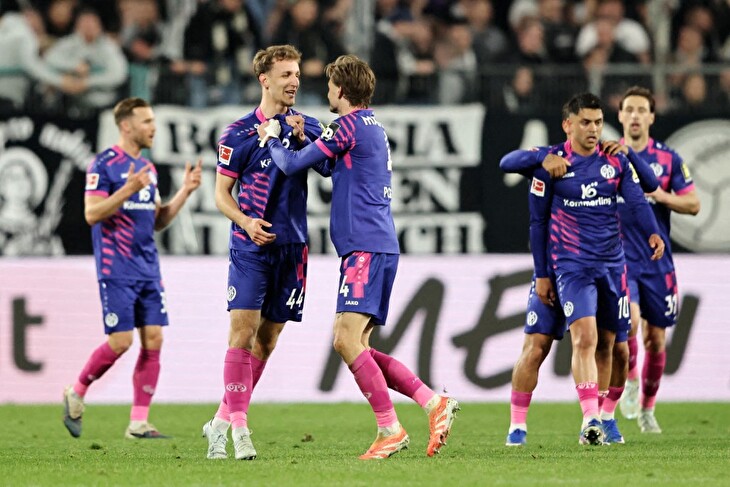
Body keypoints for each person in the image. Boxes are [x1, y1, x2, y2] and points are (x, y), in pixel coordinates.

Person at [258, 54, 459, 460]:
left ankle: (390, 429)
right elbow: (331, 168)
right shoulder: (370, 127)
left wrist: (273, 138)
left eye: (330, 85)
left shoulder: (347, 126)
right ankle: (432, 402)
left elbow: (292, 165)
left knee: (345, 340)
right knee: (358, 344)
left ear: (342, 90)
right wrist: (304, 137)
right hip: (375, 245)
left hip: (365, 248)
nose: (327, 92)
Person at [499, 104, 660, 446]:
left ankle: (605, 417)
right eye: (585, 122)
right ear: (567, 125)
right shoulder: (552, 162)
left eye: (598, 122)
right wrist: (542, 273)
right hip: (563, 268)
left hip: (609, 268)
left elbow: (643, 193)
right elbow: (509, 168)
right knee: (539, 347)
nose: (593, 129)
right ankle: (518, 426)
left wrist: (652, 232)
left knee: (616, 349)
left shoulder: (613, 160)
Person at [204, 44, 330, 461]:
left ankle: (220, 421)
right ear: (265, 79)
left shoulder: (307, 125)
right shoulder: (237, 134)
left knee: (267, 340)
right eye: (286, 75)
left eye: (297, 74)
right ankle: (240, 430)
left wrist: (304, 137)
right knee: (242, 333)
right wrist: (245, 222)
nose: (295, 82)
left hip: (292, 248)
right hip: (250, 246)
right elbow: (221, 194)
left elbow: (330, 168)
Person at [62, 97, 203, 439]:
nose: (153, 127)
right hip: (116, 267)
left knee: (154, 339)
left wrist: (185, 192)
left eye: (153, 120)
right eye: (147, 121)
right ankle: (76, 392)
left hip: (148, 268)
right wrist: (127, 188)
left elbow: (157, 221)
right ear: (126, 126)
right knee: (121, 342)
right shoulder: (103, 165)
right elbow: (92, 214)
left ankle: (138, 422)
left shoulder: (147, 169)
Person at [616, 86, 700, 433]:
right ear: (620, 116)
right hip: (621, 258)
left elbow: (693, 204)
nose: (635, 115)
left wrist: (662, 196)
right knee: (630, 323)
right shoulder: (609, 157)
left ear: (651, 117)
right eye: (629, 109)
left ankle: (648, 409)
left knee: (656, 339)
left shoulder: (668, 159)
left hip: (657, 260)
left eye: (641, 110)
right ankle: (630, 380)